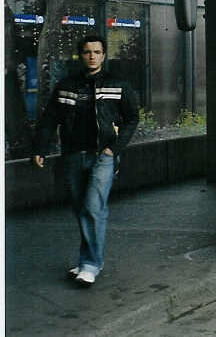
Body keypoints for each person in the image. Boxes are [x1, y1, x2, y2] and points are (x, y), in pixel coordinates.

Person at [32, 34, 138, 287]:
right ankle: (86, 261)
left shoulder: (118, 85)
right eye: (88, 52)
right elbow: (49, 119)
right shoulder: (66, 85)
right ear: (81, 55)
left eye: (97, 52)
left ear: (104, 55)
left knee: (93, 207)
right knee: (81, 208)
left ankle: (90, 265)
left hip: (103, 155)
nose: (92, 56)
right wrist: (40, 149)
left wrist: (114, 149)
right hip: (72, 155)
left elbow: (132, 118)